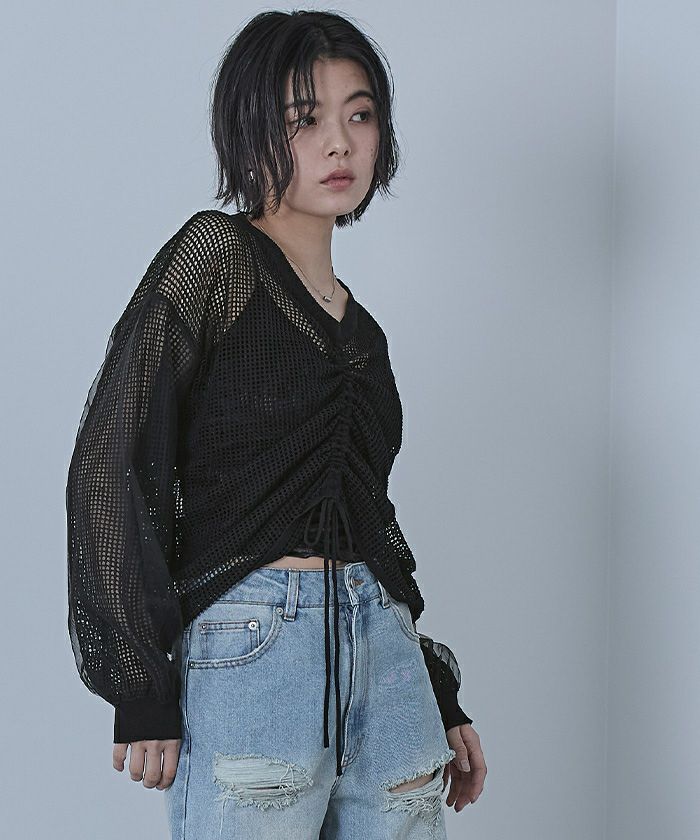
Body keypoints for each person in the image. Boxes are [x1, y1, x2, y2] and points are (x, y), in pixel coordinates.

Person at [65, 9, 486, 838]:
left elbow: (369, 519)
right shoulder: (216, 259)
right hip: (257, 652)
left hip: (387, 655)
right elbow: (109, 459)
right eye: (305, 119)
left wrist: (436, 688)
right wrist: (140, 684)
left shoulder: (364, 335)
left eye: (359, 115)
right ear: (250, 127)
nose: (339, 143)